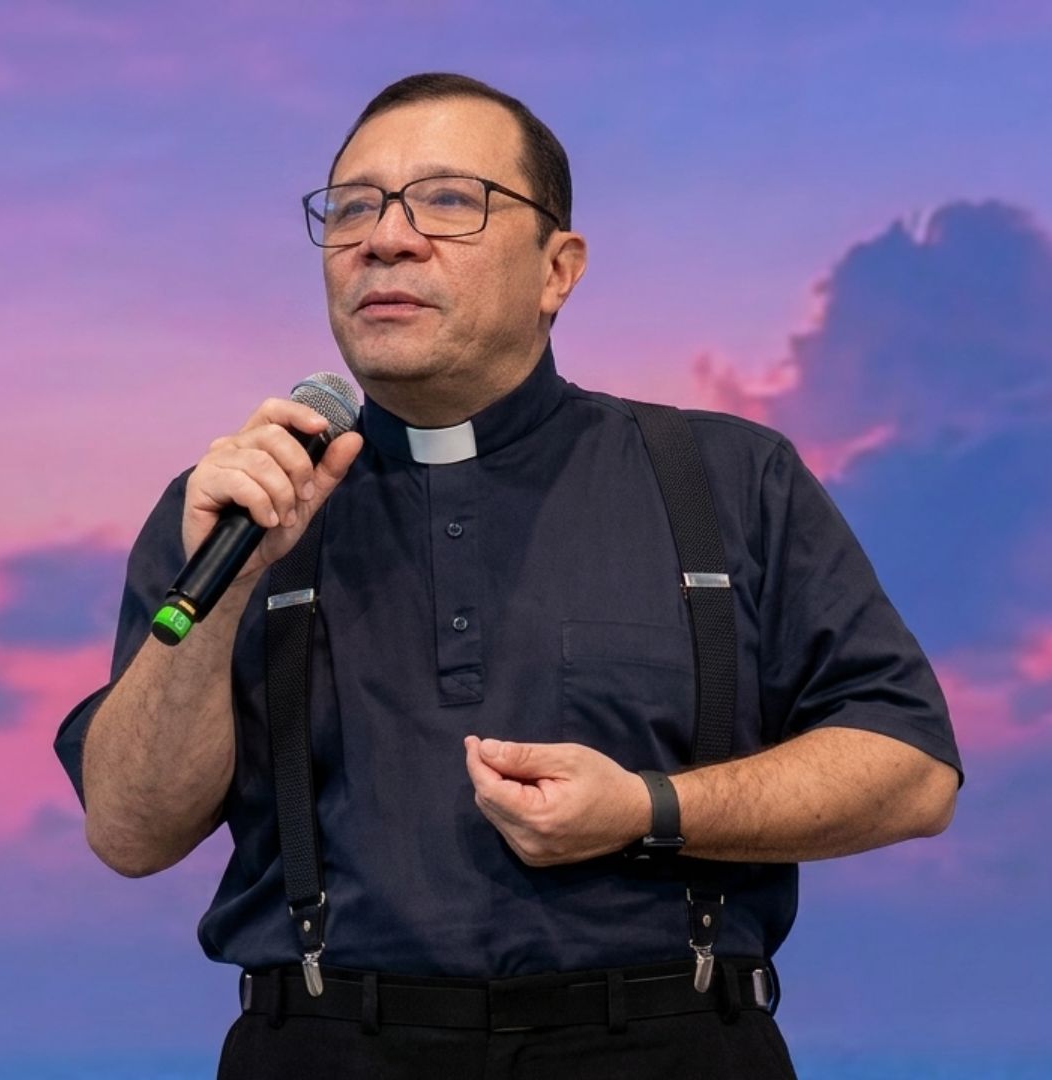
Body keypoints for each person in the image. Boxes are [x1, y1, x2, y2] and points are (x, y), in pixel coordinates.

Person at [52, 72, 964, 1079]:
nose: (384, 239)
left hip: (665, 1044)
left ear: (557, 268)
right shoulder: (233, 501)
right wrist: (220, 594)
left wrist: (651, 810)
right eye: (353, 206)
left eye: (448, 201)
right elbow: (131, 832)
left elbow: (911, 770)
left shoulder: (726, 478)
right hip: (325, 1046)